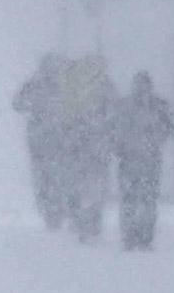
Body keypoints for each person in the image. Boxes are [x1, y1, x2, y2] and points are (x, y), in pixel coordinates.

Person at [110, 72, 174, 251]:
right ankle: (134, 237)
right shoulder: (155, 106)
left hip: (143, 159)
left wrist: (153, 141)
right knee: (137, 199)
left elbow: (169, 128)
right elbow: (113, 130)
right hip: (136, 159)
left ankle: (139, 237)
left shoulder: (129, 106)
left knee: (141, 199)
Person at [55, 56, 118, 242]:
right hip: (97, 144)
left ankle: (79, 220)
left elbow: (60, 114)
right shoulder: (104, 85)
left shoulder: (69, 84)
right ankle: (92, 221)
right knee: (96, 186)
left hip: (75, 143)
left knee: (76, 185)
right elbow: (114, 111)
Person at [15, 55, 70, 230]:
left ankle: (56, 210)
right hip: (41, 139)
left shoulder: (65, 85)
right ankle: (49, 210)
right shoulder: (34, 84)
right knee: (44, 177)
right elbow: (17, 104)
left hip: (58, 139)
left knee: (56, 176)